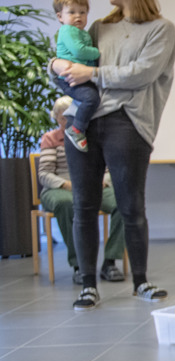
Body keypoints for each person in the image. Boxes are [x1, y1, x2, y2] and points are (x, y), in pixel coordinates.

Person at [49, 0, 175, 311]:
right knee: (84, 206)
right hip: (83, 121)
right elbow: (69, 57)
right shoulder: (100, 26)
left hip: (128, 122)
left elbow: (142, 73)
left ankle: (141, 281)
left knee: (131, 206)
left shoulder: (160, 29)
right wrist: (55, 66)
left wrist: (92, 72)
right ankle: (88, 285)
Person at [37, 96, 125, 284]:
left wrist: (102, 180)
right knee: (66, 204)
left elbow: (110, 169)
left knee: (124, 203)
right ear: (57, 118)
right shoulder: (51, 139)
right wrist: (66, 184)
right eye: (63, 118)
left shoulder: (93, 135)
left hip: (93, 184)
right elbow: (44, 174)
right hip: (61, 187)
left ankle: (110, 262)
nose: (68, 121)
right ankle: (80, 266)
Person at [51, 0, 100, 152]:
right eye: (71, 12)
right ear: (60, 16)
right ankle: (76, 129)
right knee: (90, 99)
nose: (78, 16)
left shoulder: (81, 32)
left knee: (92, 97)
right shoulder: (68, 30)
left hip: (78, 76)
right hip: (68, 77)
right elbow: (79, 51)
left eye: (82, 12)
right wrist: (97, 52)